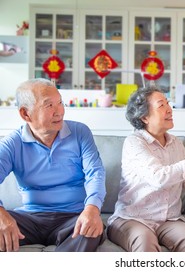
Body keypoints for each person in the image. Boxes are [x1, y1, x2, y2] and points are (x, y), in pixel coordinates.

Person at [107, 86, 185, 252]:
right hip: (132, 218)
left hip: (169, 220)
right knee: (144, 239)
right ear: (145, 117)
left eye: (168, 103)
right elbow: (159, 178)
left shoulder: (176, 143)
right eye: (161, 105)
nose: (169, 109)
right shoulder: (134, 143)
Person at [0, 78, 106, 252]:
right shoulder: (13, 143)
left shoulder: (80, 132)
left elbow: (95, 173)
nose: (60, 112)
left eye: (60, 103)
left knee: (90, 231)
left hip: (73, 217)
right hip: (30, 218)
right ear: (26, 114)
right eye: (49, 105)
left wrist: (92, 208)